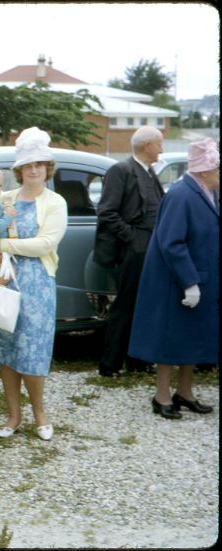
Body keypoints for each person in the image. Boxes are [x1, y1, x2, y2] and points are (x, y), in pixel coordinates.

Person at [0, 127, 67, 441]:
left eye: (39, 165)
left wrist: (3, 245)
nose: (33, 170)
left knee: (34, 349)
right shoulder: (5, 198)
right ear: (19, 170)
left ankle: (40, 413)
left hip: (37, 284)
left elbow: (44, 244)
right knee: (7, 348)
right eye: (28, 165)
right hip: (5, 280)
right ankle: (13, 415)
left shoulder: (55, 202)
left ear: (47, 169)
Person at [128, 137, 219, 419]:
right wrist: (189, 281)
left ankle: (185, 392)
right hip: (177, 281)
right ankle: (162, 395)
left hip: (201, 277)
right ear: (204, 171)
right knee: (169, 340)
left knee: (191, 337)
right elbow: (171, 242)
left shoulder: (209, 192)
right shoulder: (181, 194)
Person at [94, 126, 165, 378]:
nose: (162, 149)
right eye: (159, 144)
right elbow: (107, 212)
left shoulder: (149, 171)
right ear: (147, 146)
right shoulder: (121, 170)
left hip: (150, 248)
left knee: (144, 305)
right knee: (124, 305)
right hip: (133, 250)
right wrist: (133, 239)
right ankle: (110, 364)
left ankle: (138, 359)